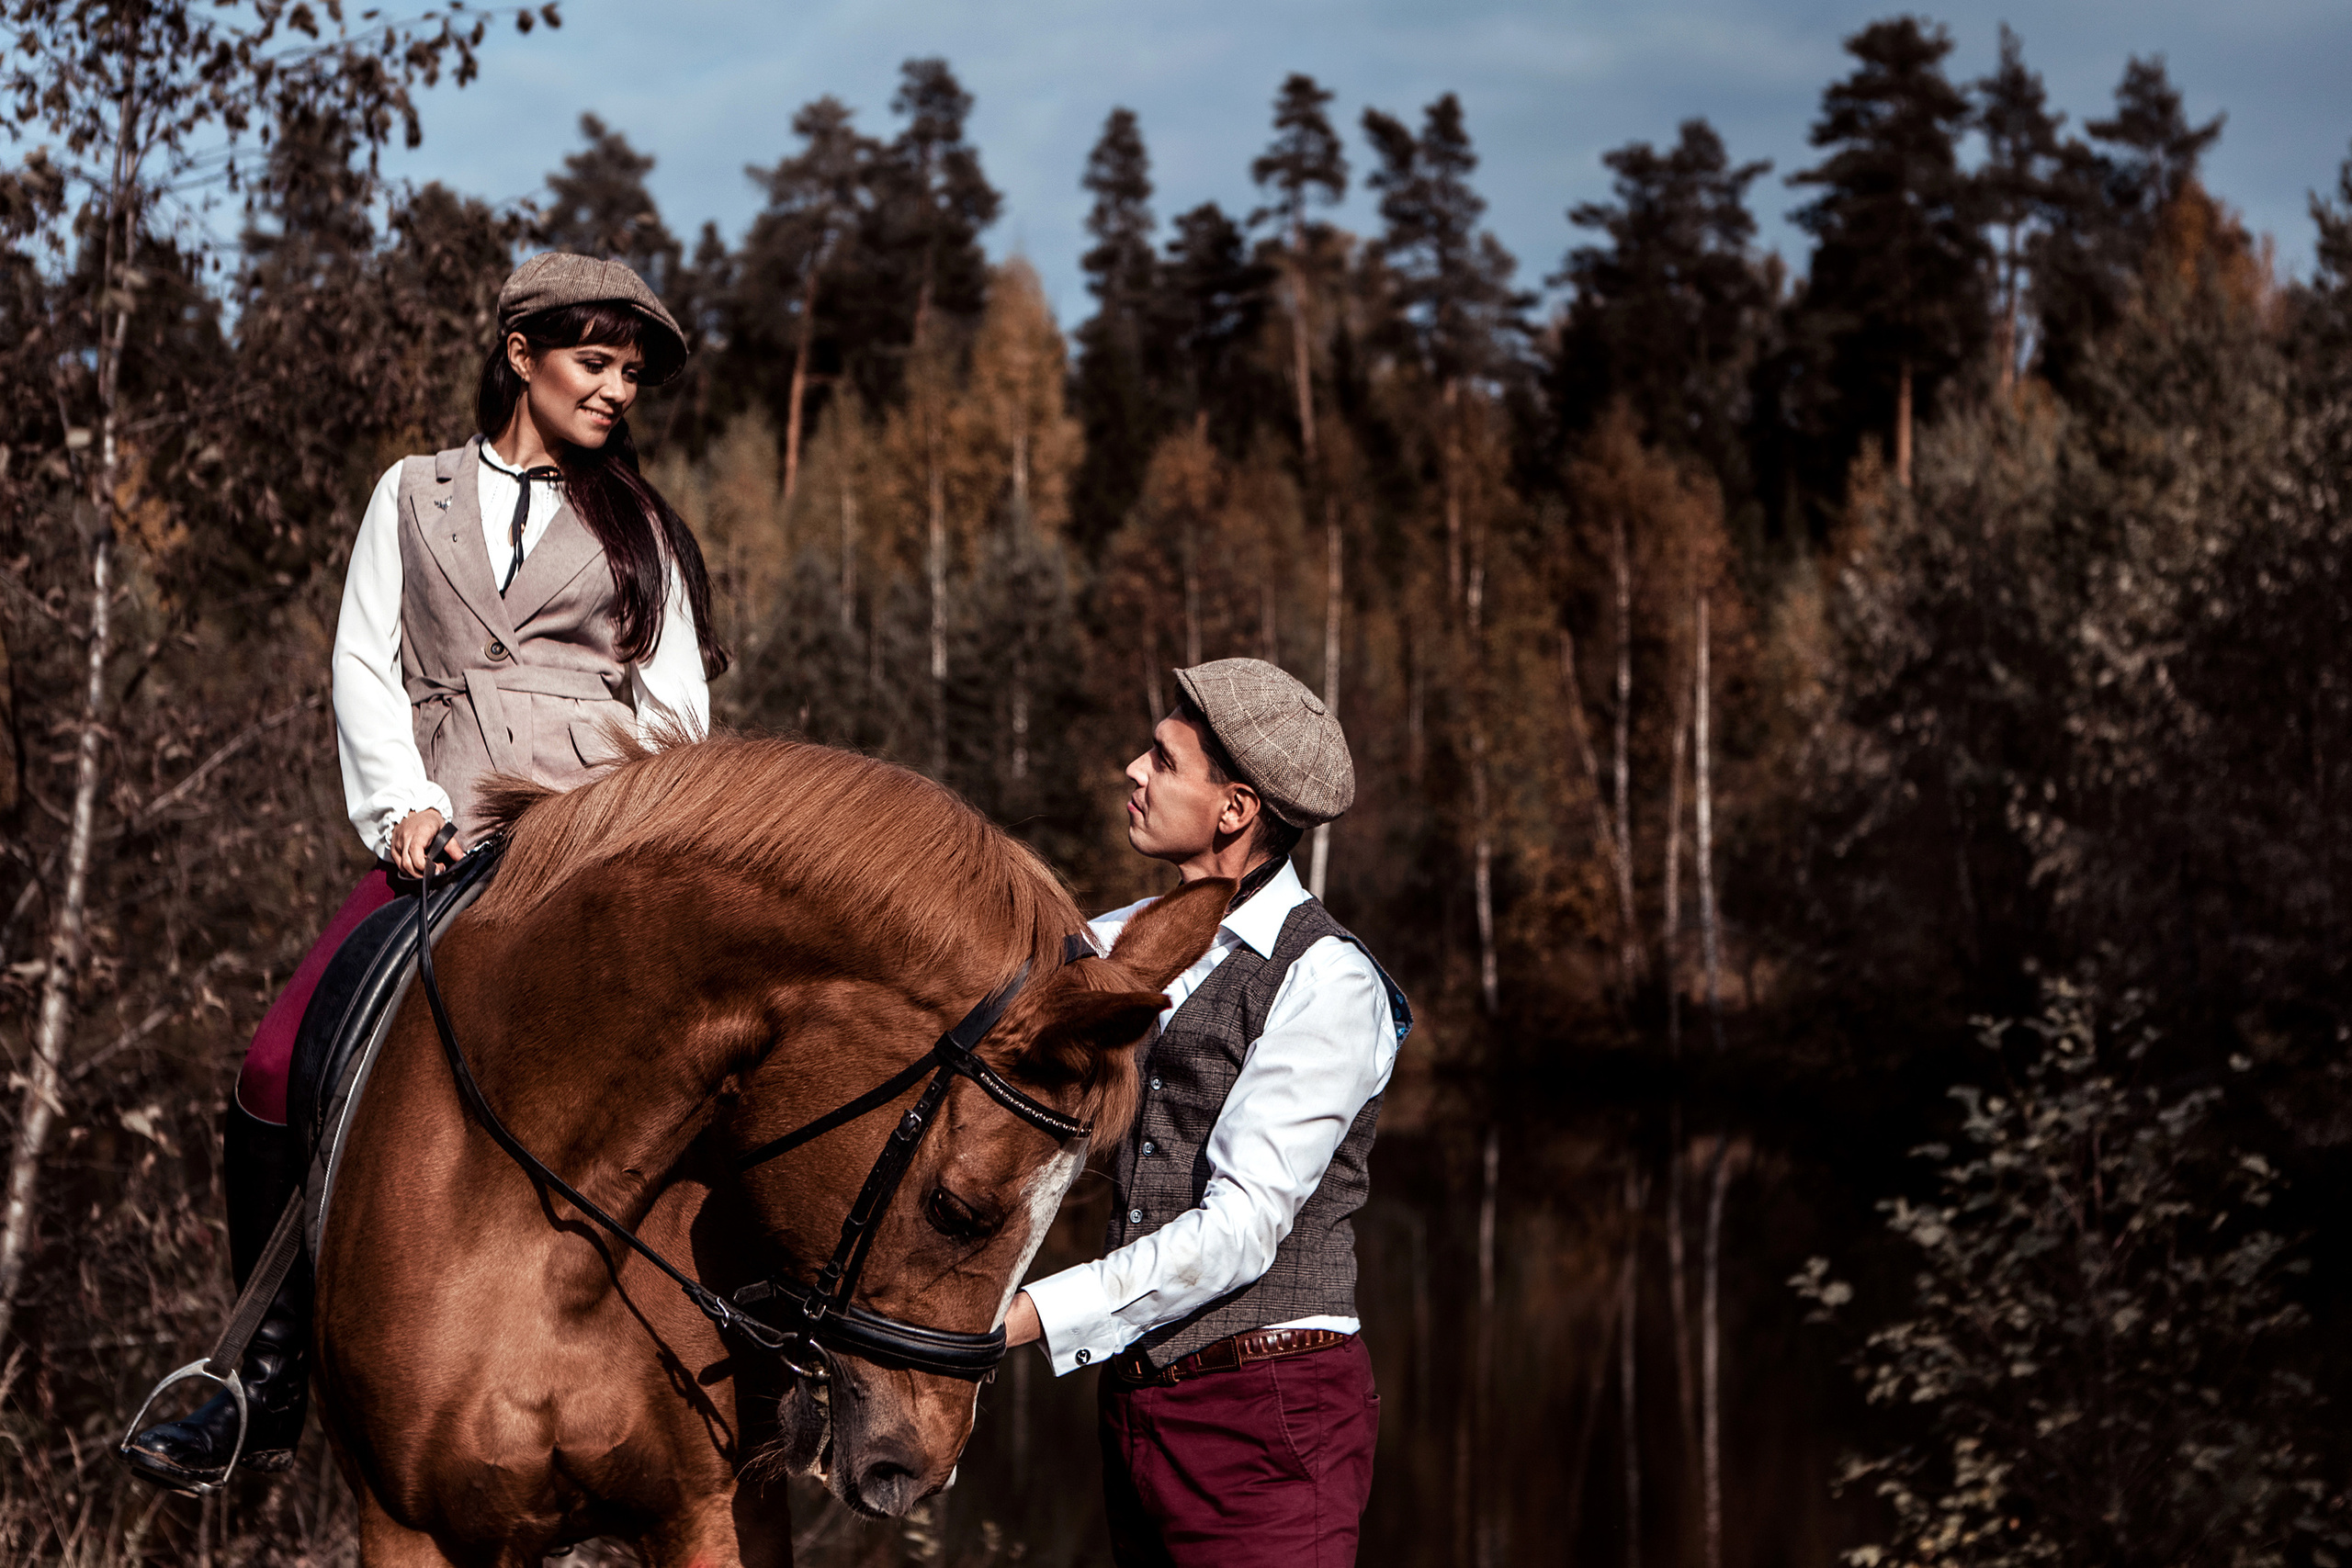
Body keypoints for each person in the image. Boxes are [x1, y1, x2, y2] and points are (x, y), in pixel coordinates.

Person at [124, 253, 726, 1492]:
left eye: (631, 373)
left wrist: (613, 829)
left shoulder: (646, 531)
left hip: (588, 844)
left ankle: (768, 1361)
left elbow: (678, 712)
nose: (617, 390)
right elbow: (364, 664)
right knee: (275, 1061)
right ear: (521, 354)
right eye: (594, 361)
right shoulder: (409, 495)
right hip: (438, 842)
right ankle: (263, 1379)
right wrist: (400, 808)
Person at [1006, 657, 1411, 1568]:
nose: (1132, 772)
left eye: (1162, 759)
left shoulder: (1326, 982)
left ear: (1234, 809)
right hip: (1139, 1402)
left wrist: (1022, 1317)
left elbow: (1238, 1233)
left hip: (1270, 1412)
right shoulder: (1119, 943)